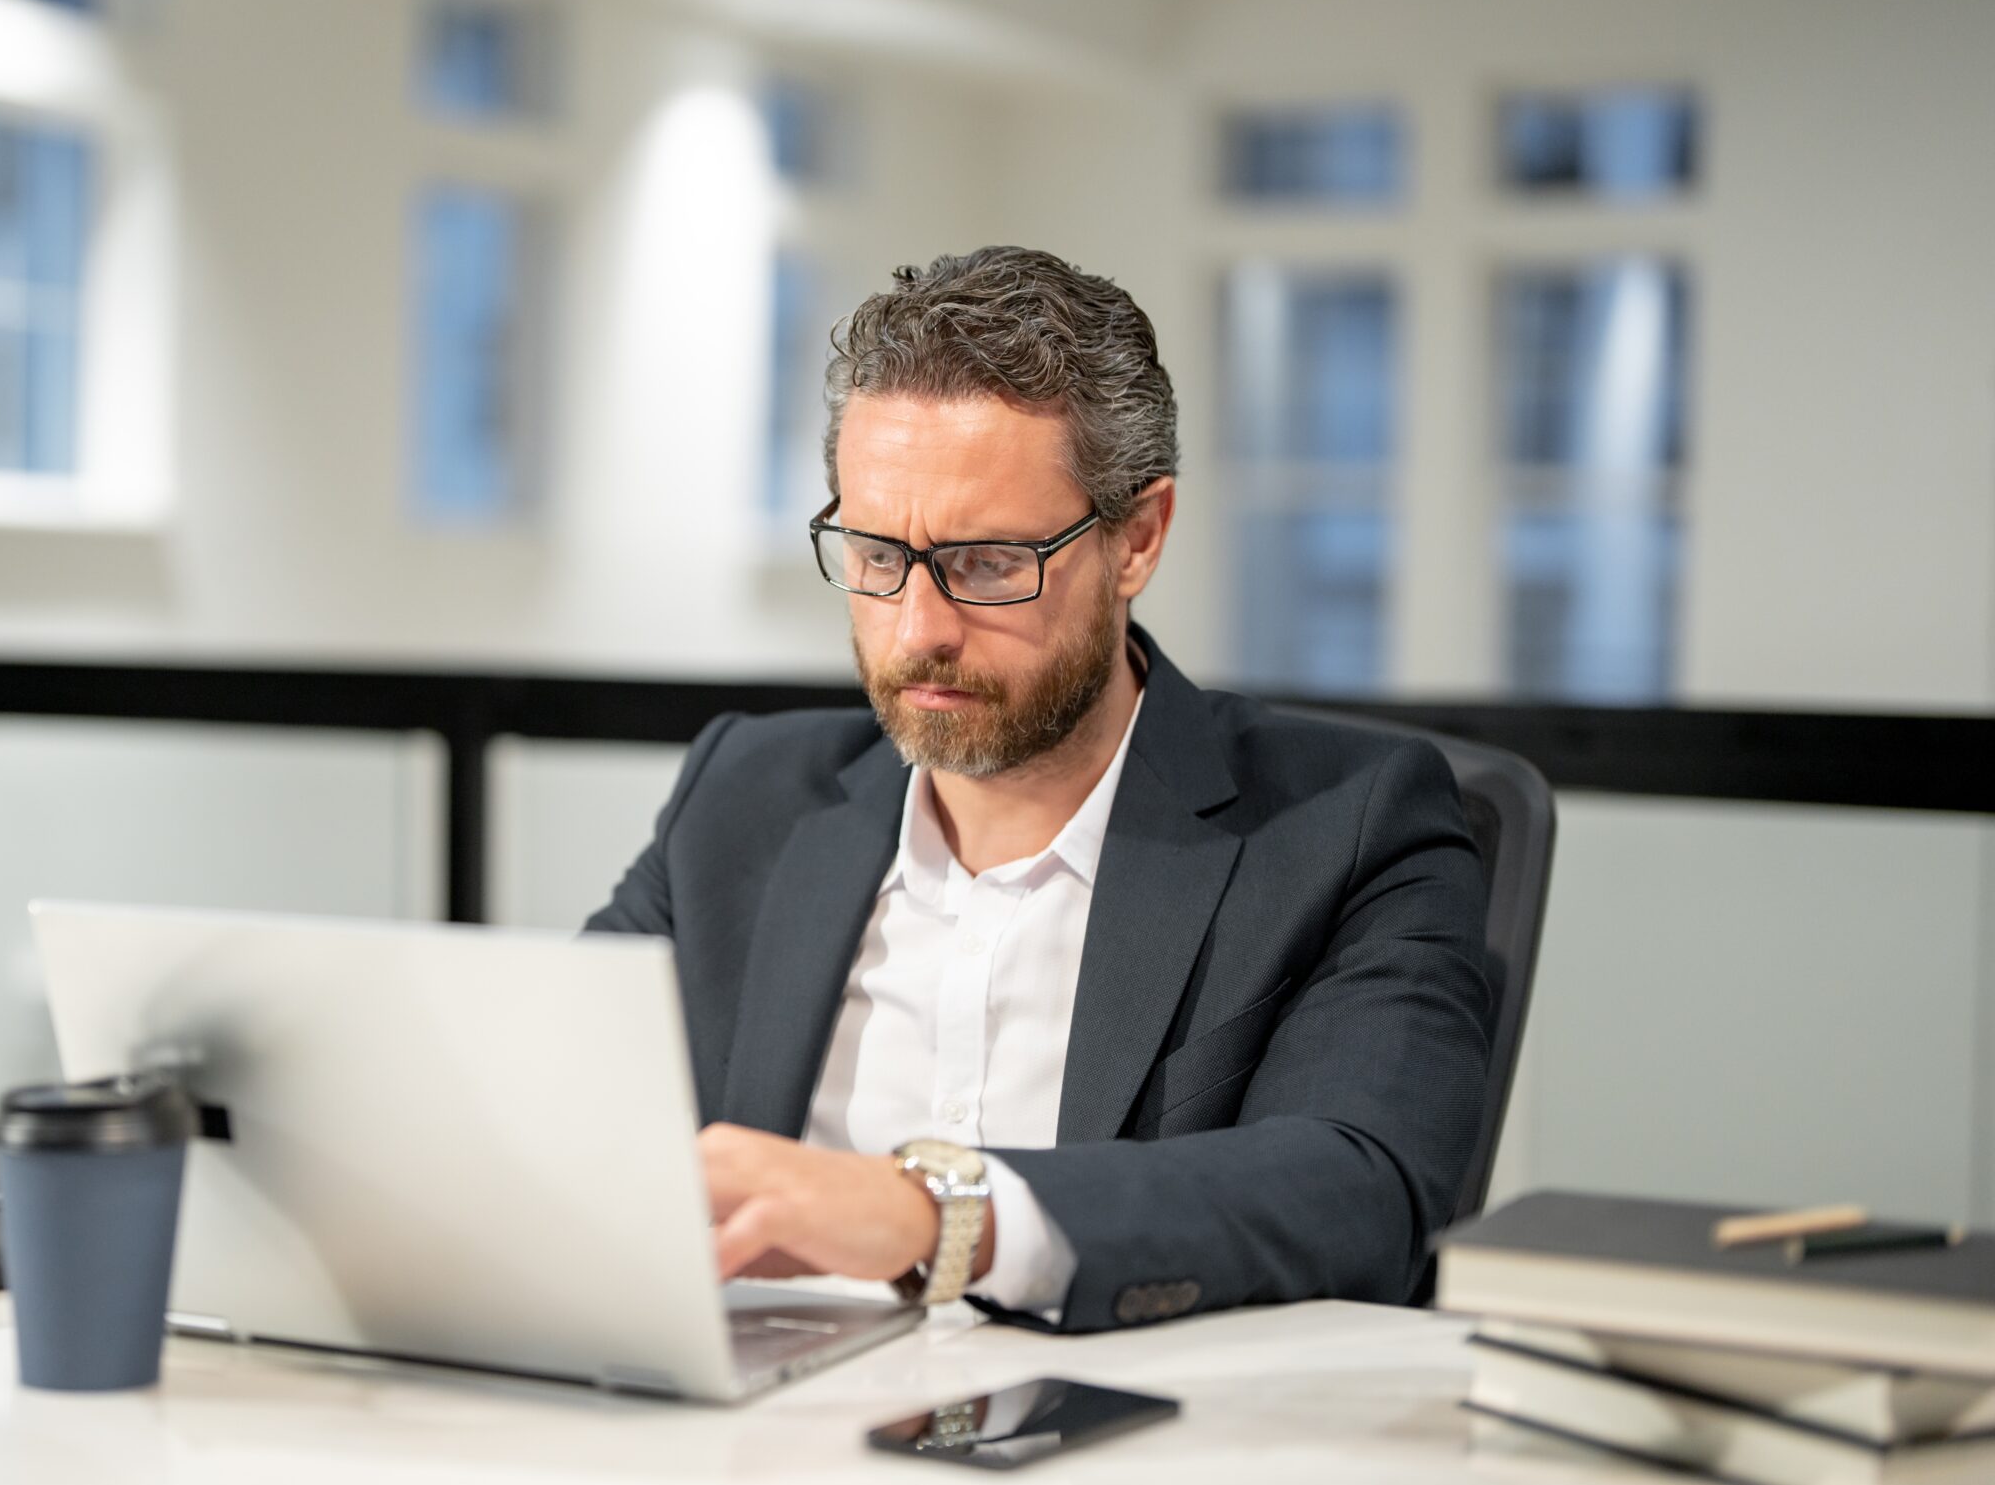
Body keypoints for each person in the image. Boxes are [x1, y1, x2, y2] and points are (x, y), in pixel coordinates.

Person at [586, 246, 1491, 1334]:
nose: (919, 629)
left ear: (1138, 538)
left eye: (986, 564)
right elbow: (540, 1092)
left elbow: (1361, 1189)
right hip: (753, 1449)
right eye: (876, 553)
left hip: (1119, 1465)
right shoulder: (745, 796)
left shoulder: (1345, 825)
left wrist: (934, 1215)